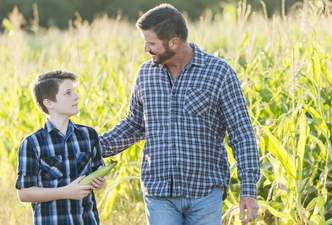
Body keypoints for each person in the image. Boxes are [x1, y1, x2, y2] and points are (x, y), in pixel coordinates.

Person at [99, 4, 260, 225]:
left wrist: (249, 190)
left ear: (174, 43)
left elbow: (241, 134)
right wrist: (92, 148)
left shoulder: (219, 73)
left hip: (205, 194)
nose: (145, 48)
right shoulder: (145, 74)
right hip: (159, 194)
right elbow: (134, 125)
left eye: (151, 43)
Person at [15, 70, 107, 225]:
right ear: (48, 103)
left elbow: (96, 173)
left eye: (75, 91)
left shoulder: (89, 135)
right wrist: (66, 192)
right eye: (68, 93)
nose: (76, 96)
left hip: (87, 220)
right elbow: (24, 193)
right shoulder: (32, 143)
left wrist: (100, 182)